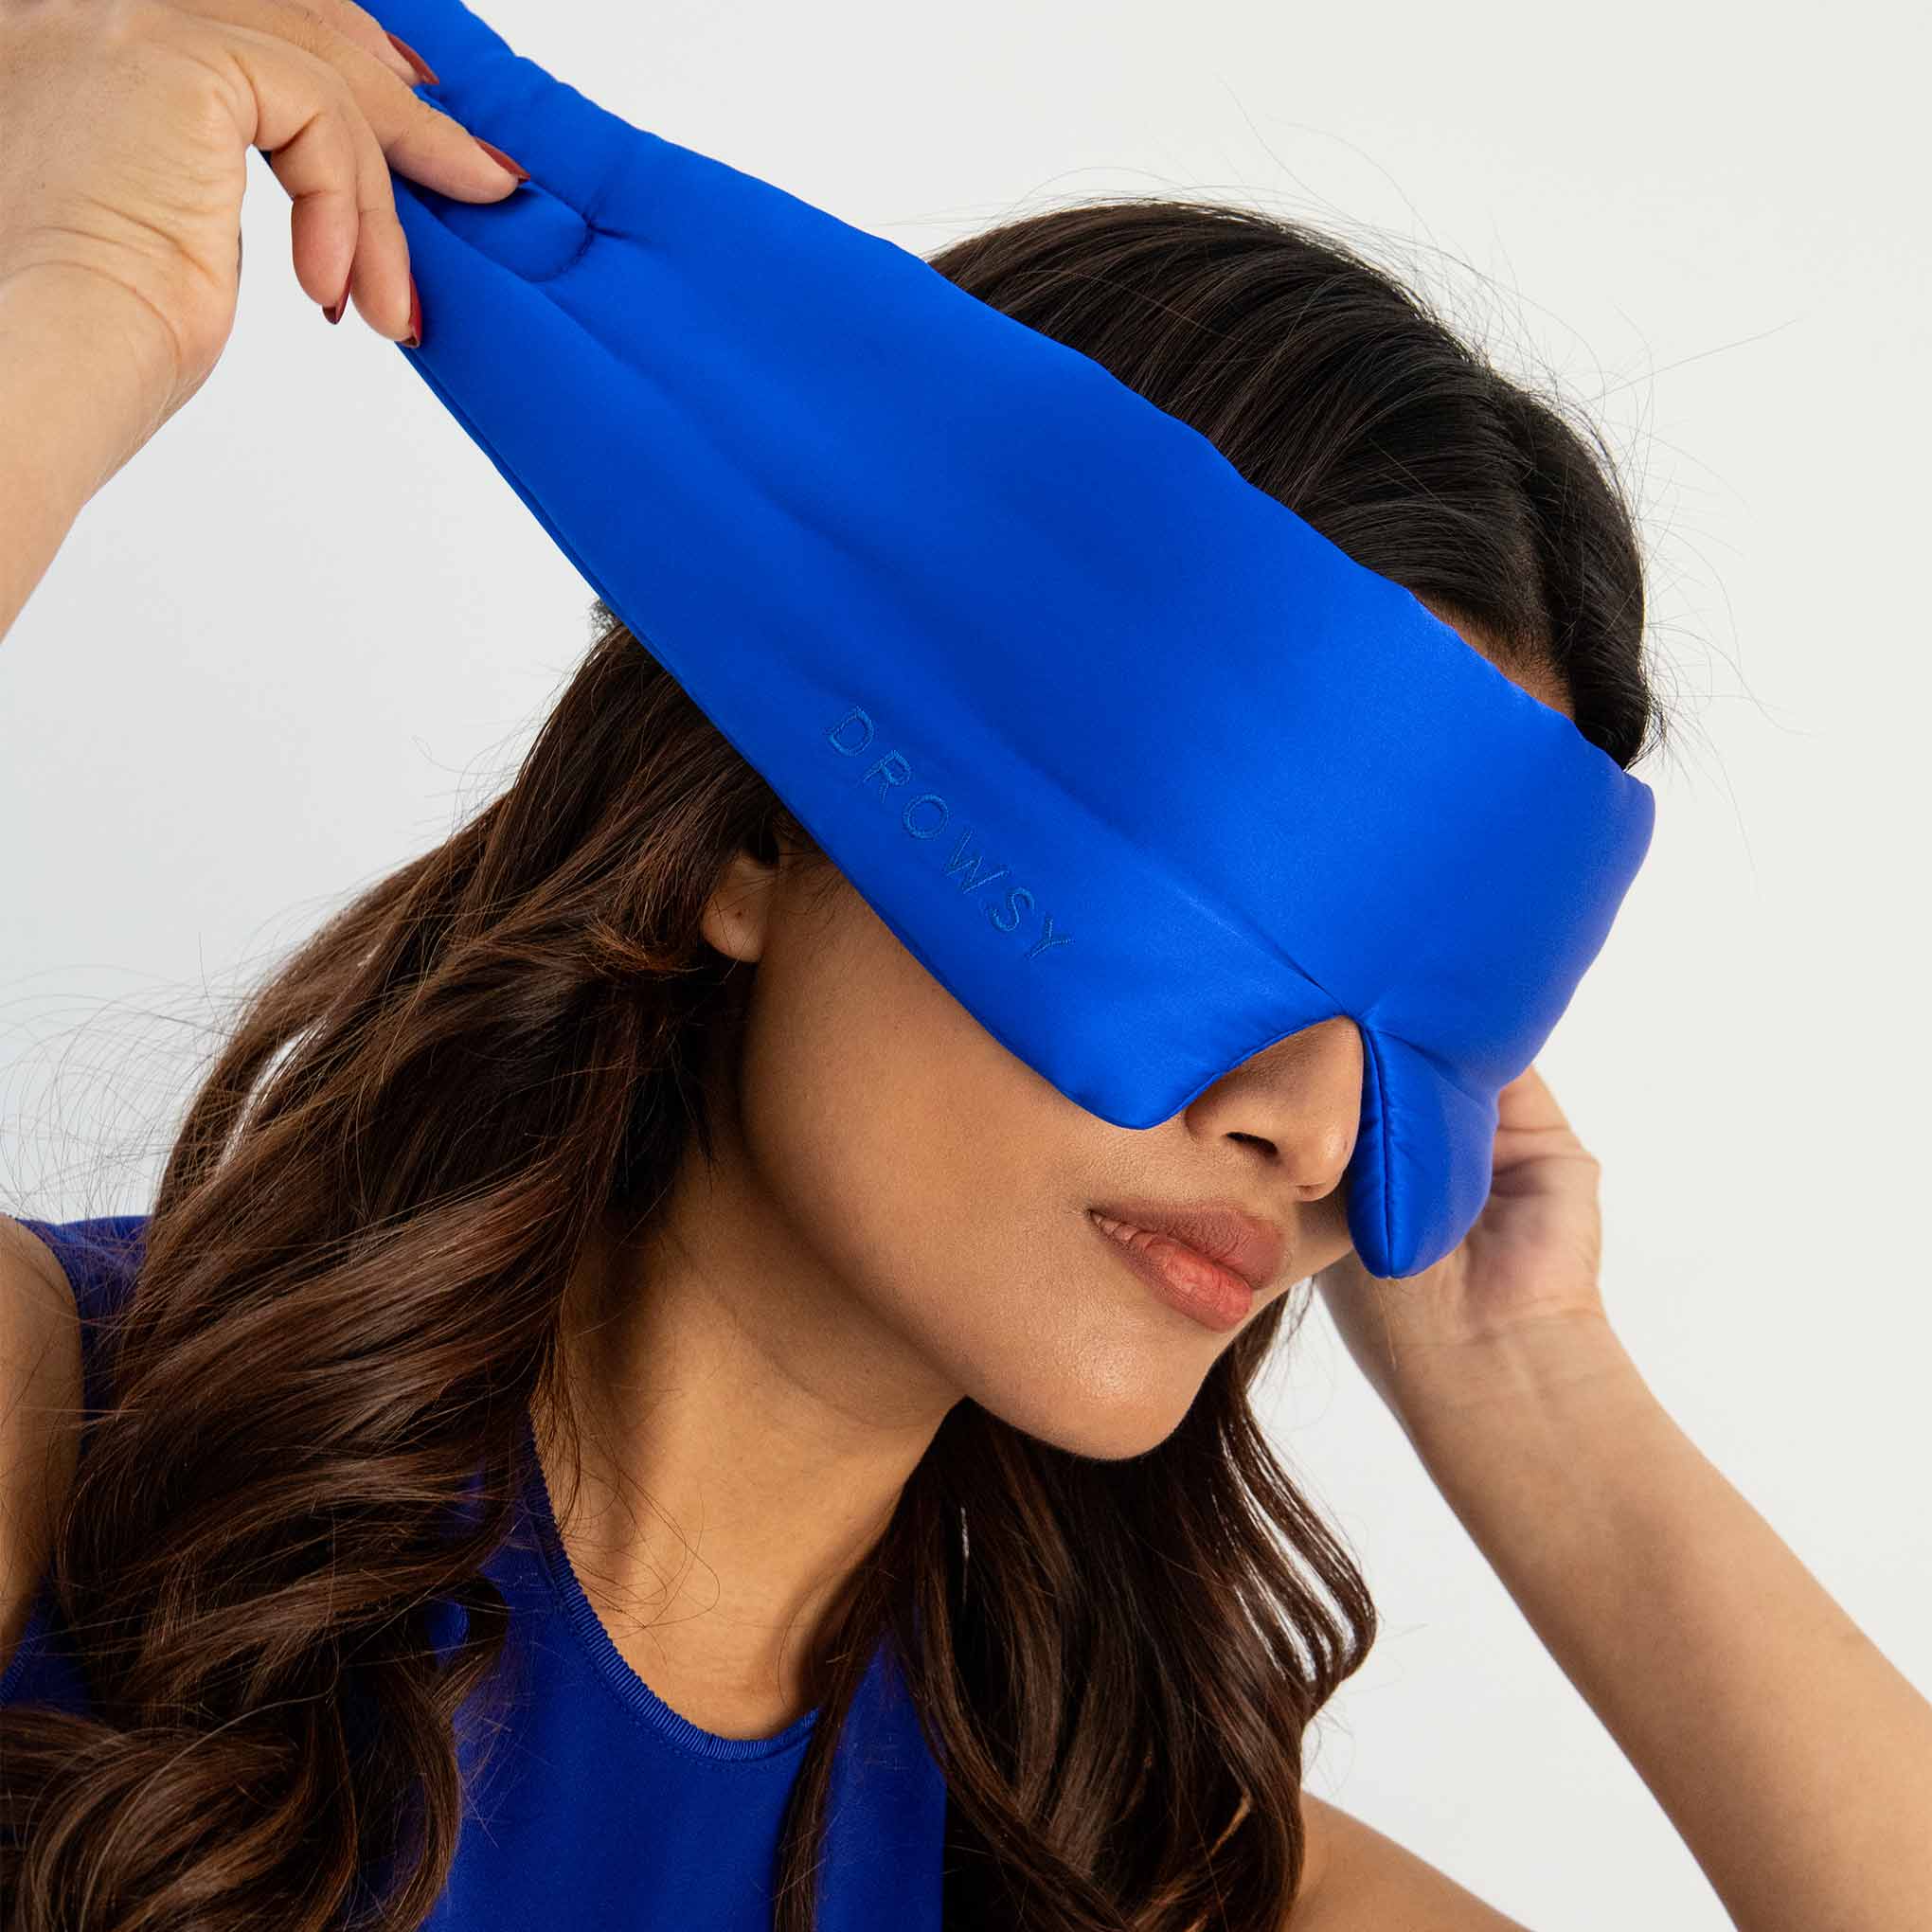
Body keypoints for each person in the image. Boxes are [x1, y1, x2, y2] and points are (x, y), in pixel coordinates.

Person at [2, 2, 1927, 1928]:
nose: (1321, 1131)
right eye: (1227, 889)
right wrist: (67, 304)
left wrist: (1538, 1389)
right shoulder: (62, 1467)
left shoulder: (1142, 1877)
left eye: (1436, 1023)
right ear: (759, 833)